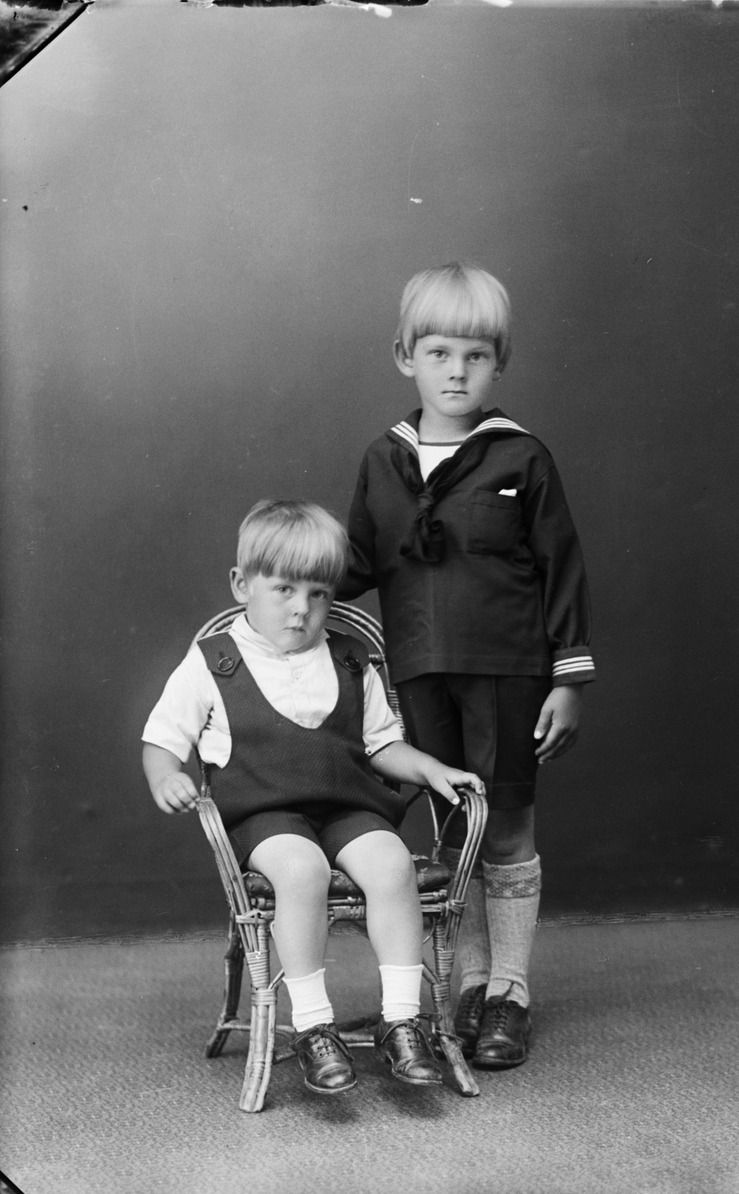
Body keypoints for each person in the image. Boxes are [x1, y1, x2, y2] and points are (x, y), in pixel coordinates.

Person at [337, 262, 595, 1069]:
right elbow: (355, 563)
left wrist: (567, 679)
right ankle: (473, 984)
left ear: (499, 363)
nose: (457, 371)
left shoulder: (521, 458)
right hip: (421, 674)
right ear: (405, 356)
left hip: (508, 672)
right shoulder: (384, 459)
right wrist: (286, 577)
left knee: (506, 825)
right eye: (440, 353)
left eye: (476, 356)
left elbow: (562, 568)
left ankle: (510, 992)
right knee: (456, 831)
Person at [142, 499, 484, 1096]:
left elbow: (382, 744)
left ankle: (402, 1019)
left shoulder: (349, 657)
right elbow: (161, 740)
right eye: (284, 590)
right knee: (301, 870)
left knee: (392, 863)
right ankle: (313, 1025)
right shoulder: (214, 662)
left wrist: (430, 769)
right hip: (265, 815)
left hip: (348, 808)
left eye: (319, 593)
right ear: (242, 584)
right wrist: (166, 775)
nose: (302, 609)